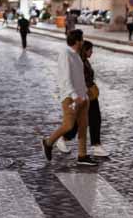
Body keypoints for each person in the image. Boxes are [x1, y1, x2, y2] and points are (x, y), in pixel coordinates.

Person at [41, 29, 97, 167]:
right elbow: (65, 77)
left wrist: (84, 94)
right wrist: (74, 95)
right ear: (77, 41)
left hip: (82, 97)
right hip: (70, 98)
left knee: (83, 127)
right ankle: (48, 142)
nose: (83, 42)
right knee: (68, 125)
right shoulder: (65, 54)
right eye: (82, 39)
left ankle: (82, 156)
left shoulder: (76, 55)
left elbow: (79, 77)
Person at [62, 40, 109, 158]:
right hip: (85, 94)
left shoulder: (84, 61)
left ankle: (64, 138)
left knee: (85, 120)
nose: (92, 52)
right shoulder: (79, 62)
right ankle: (95, 146)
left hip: (89, 94)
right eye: (90, 50)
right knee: (93, 119)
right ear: (85, 50)